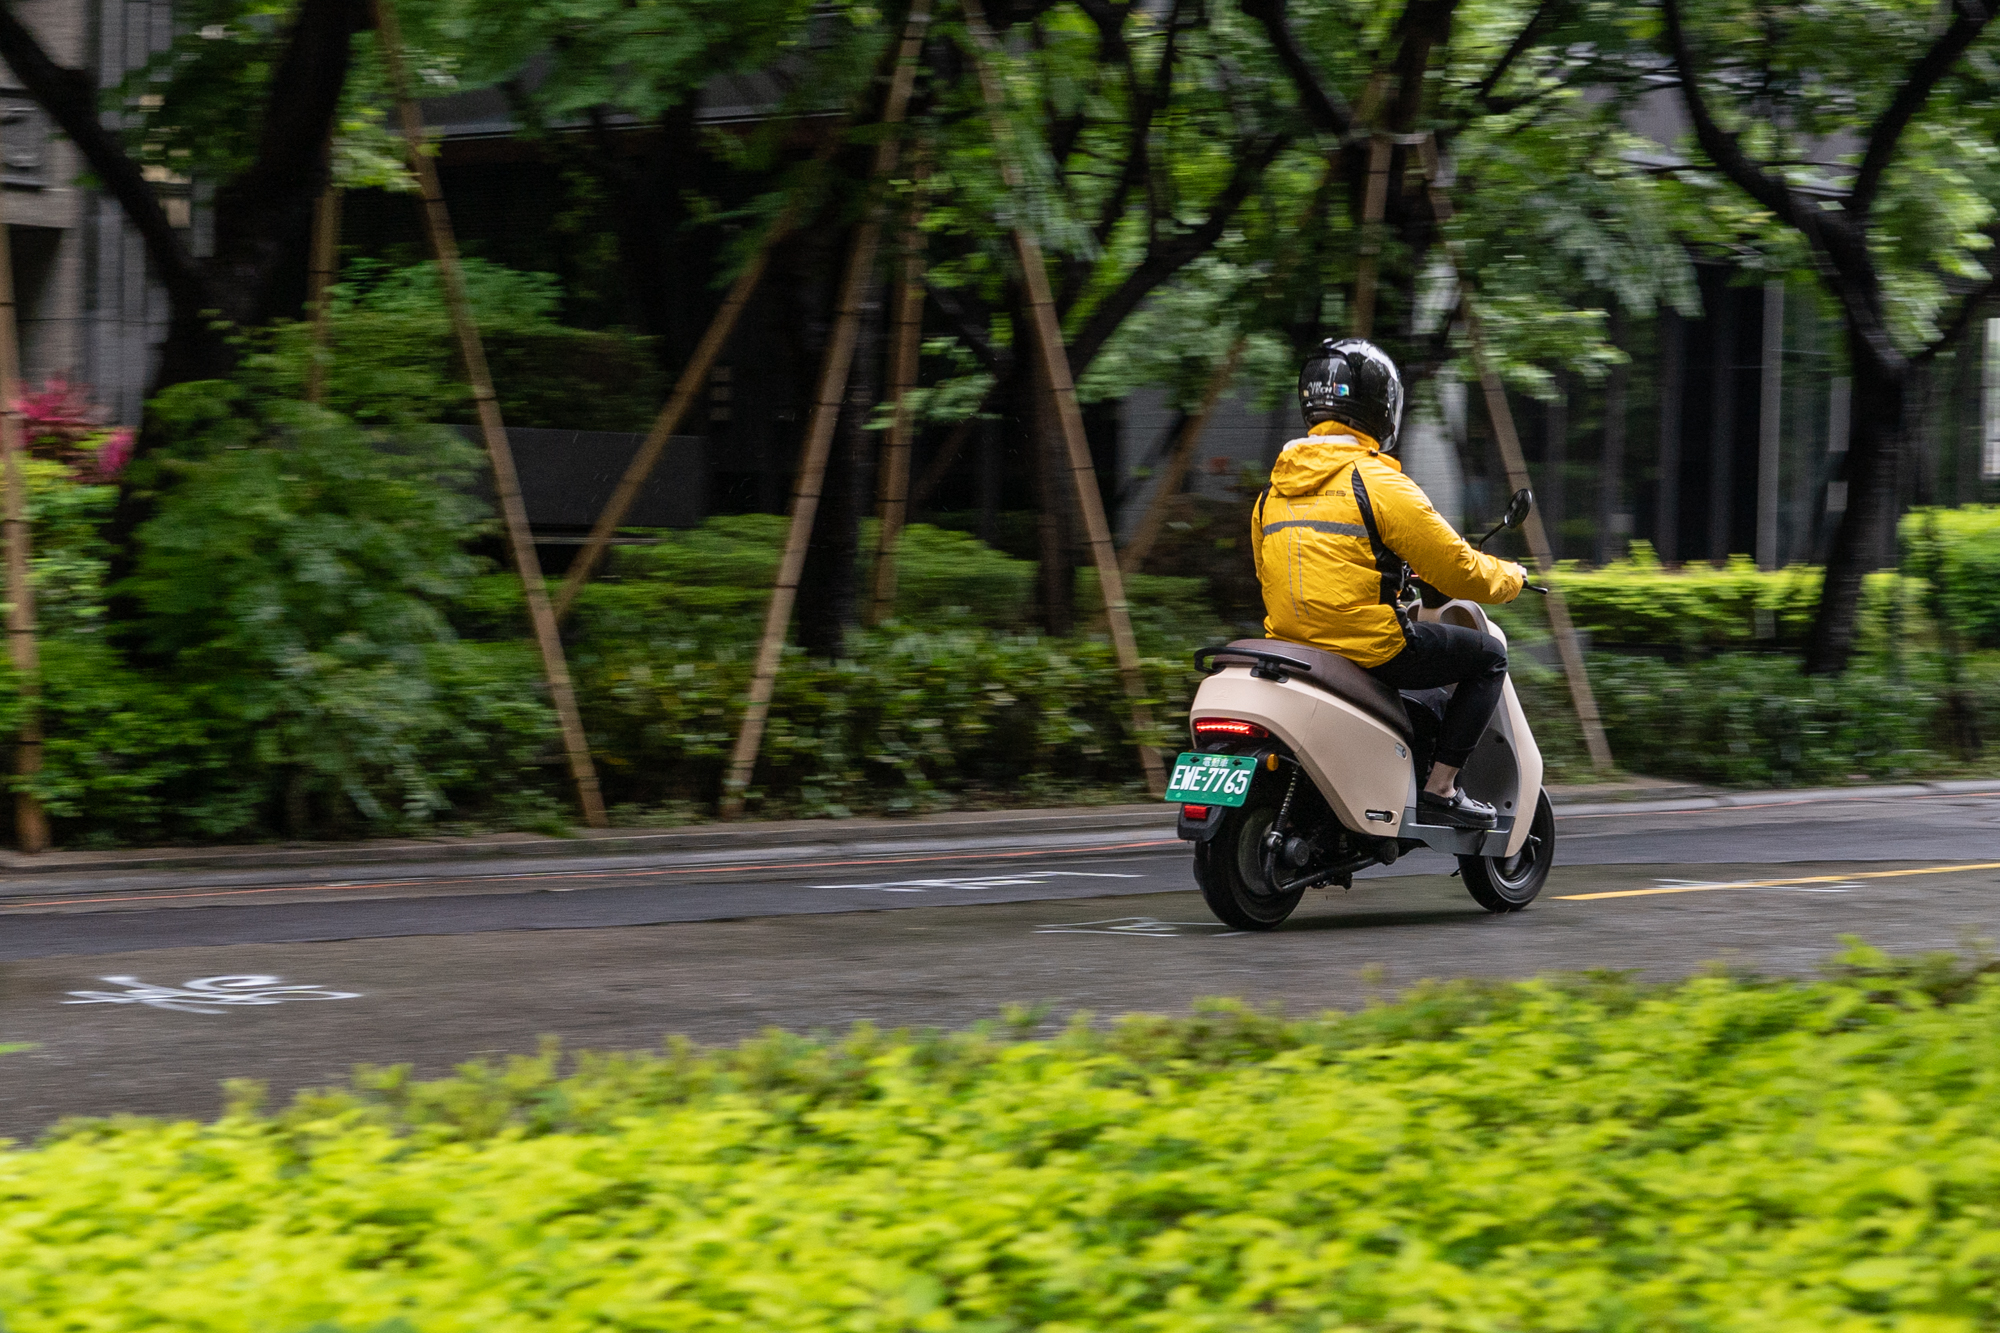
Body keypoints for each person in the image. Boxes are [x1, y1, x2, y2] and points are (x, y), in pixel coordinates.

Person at [1250, 337, 1527, 829]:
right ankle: (1441, 789)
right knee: (1488, 657)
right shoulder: (1377, 483)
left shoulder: (1272, 492)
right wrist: (1510, 578)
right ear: (1383, 406)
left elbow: (1272, 570)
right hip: (1368, 647)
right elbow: (1459, 570)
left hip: (1294, 647)